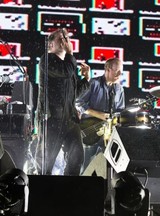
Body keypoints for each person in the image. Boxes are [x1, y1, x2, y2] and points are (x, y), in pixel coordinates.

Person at [35, 28, 91, 176]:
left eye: (66, 37)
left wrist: (86, 79)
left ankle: (68, 188)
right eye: (60, 38)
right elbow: (65, 71)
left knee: (77, 155)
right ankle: (41, 189)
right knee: (47, 159)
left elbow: (74, 93)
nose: (64, 41)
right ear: (51, 45)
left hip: (70, 119)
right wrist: (71, 55)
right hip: (52, 117)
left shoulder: (68, 65)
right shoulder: (46, 60)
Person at [76, 57, 125, 173]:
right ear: (107, 69)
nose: (119, 74)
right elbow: (78, 103)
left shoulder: (119, 89)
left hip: (109, 133)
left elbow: (120, 111)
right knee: (85, 165)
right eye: (116, 70)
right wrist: (99, 115)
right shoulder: (93, 83)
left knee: (108, 167)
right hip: (90, 131)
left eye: (121, 71)